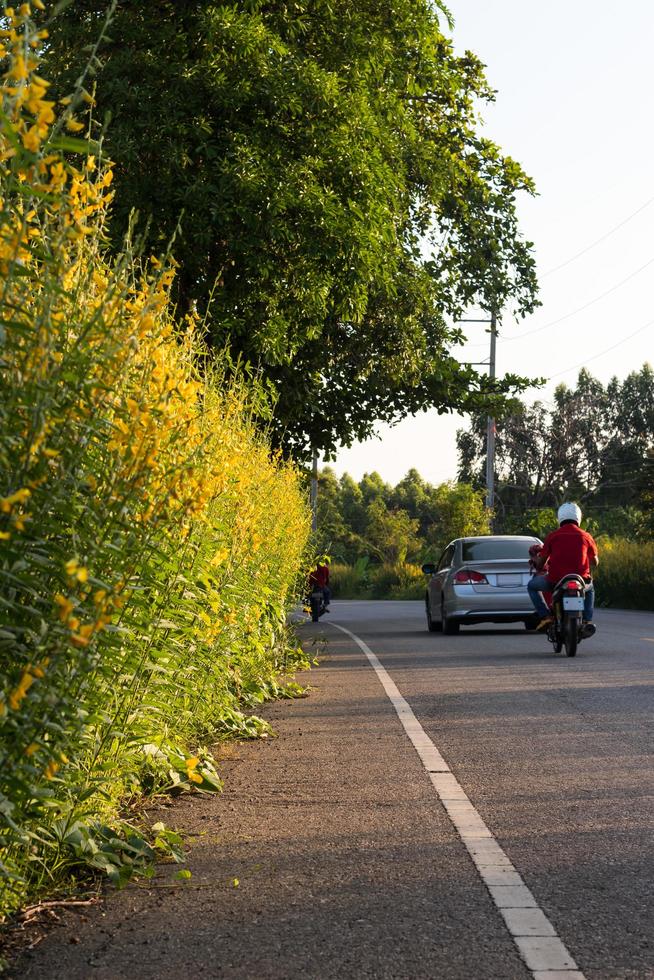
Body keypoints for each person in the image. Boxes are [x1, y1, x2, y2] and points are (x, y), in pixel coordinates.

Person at [528, 503, 599, 631]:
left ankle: (546, 616)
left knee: (532, 586)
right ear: (578, 518)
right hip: (581, 580)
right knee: (590, 589)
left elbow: (541, 565)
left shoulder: (553, 536)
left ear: (560, 517)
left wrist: (536, 562)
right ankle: (587, 620)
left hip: (555, 581)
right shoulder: (586, 536)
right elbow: (595, 562)